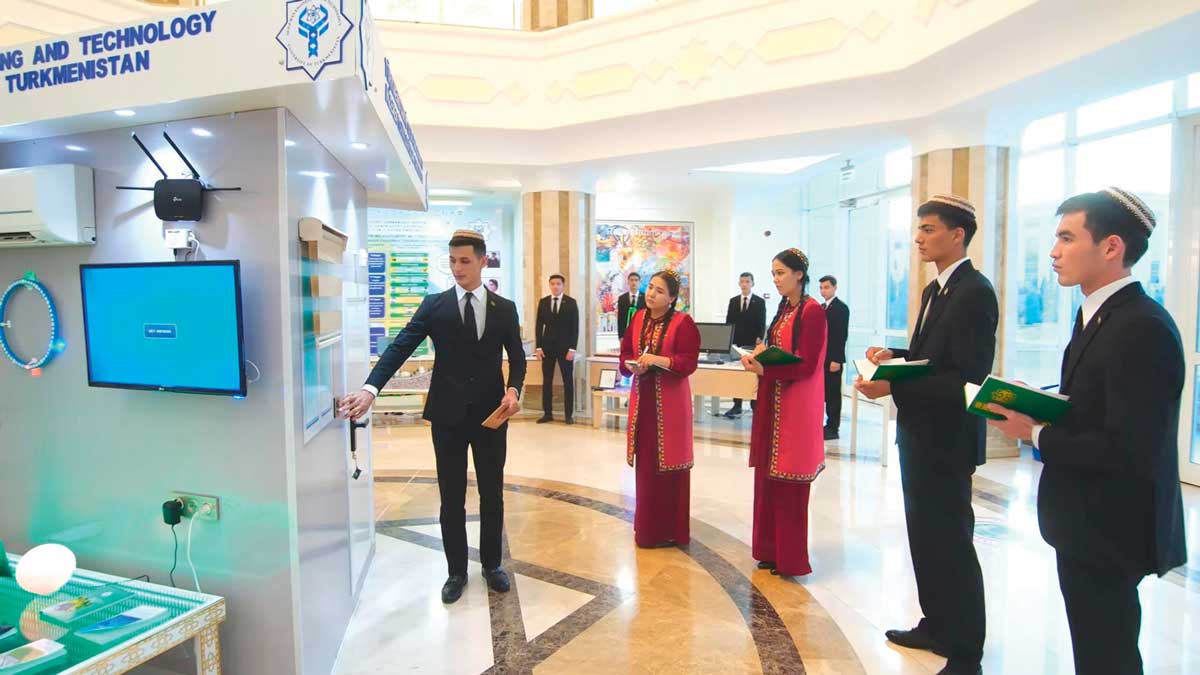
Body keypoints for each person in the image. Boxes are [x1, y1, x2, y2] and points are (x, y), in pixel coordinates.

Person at [987, 188, 1186, 675]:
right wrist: (1038, 402)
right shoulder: (1100, 315)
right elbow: (1097, 404)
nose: (1053, 252)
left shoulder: (1141, 326)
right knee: (1096, 647)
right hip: (1086, 521)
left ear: (1111, 246)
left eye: (1066, 238)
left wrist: (1032, 433)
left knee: (1107, 653)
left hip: (1111, 527)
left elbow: (1129, 447)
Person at [339, 230, 525, 605]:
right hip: (448, 416)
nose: (457, 268)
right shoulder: (434, 305)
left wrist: (513, 390)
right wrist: (370, 389)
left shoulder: (504, 308)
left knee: (492, 493)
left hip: (491, 416)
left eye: (465, 261)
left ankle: (492, 565)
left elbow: (517, 357)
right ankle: (456, 571)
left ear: (482, 261)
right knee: (451, 497)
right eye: (452, 261)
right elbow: (400, 347)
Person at [855, 195, 996, 675]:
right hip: (919, 434)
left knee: (952, 543)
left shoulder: (975, 291)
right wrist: (894, 356)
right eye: (919, 229)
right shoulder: (937, 288)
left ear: (957, 235)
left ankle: (966, 652)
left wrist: (893, 384)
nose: (918, 238)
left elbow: (967, 377)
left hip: (947, 439)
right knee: (926, 539)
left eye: (929, 229)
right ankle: (937, 625)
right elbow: (934, 358)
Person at [739, 249, 826, 577]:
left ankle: (790, 557)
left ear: (799, 274)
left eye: (780, 273)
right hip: (773, 402)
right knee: (769, 479)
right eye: (773, 273)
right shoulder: (785, 308)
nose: (775, 280)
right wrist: (761, 355)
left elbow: (807, 364)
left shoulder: (812, 311)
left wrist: (765, 368)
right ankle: (770, 550)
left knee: (789, 483)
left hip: (794, 407)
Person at [619, 269, 700, 548]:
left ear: (672, 298)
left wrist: (657, 360)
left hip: (671, 406)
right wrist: (633, 366)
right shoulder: (638, 318)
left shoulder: (683, 323)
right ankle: (648, 530)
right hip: (643, 404)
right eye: (651, 287)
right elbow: (625, 353)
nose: (651, 294)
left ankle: (671, 531)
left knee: (671, 466)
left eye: (660, 291)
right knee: (647, 468)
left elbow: (688, 362)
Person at [535, 274, 580, 425]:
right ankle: (547, 413)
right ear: (549, 285)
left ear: (563, 285)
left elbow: (575, 327)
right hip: (547, 348)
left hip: (565, 349)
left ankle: (568, 415)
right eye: (552, 284)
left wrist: (572, 348)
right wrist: (539, 347)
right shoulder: (543, 302)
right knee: (547, 381)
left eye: (558, 284)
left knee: (568, 381)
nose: (555, 286)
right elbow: (539, 325)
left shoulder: (571, 303)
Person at [722, 272, 767, 418]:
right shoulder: (734, 301)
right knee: (737, 373)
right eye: (742, 281)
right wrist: (728, 339)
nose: (744, 284)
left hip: (752, 343)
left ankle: (755, 405)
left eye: (747, 281)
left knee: (753, 373)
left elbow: (762, 322)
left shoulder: (759, 302)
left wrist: (759, 338)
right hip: (737, 341)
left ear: (752, 283)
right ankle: (737, 405)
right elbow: (729, 322)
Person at [818, 276, 849, 440]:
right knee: (822, 392)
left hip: (833, 358)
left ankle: (833, 427)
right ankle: (824, 424)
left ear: (835, 288)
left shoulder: (841, 308)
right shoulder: (822, 307)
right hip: (821, 358)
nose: (823, 291)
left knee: (833, 394)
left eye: (826, 287)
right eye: (821, 288)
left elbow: (841, 336)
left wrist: (836, 359)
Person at [616, 271, 646, 340]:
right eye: (631, 280)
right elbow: (620, 319)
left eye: (636, 280)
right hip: (626, 332)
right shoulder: (622, 298)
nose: (634, 282)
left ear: (639, 282)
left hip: (640, 332)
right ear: (628, 282)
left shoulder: (645, 298)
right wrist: (620, 336)